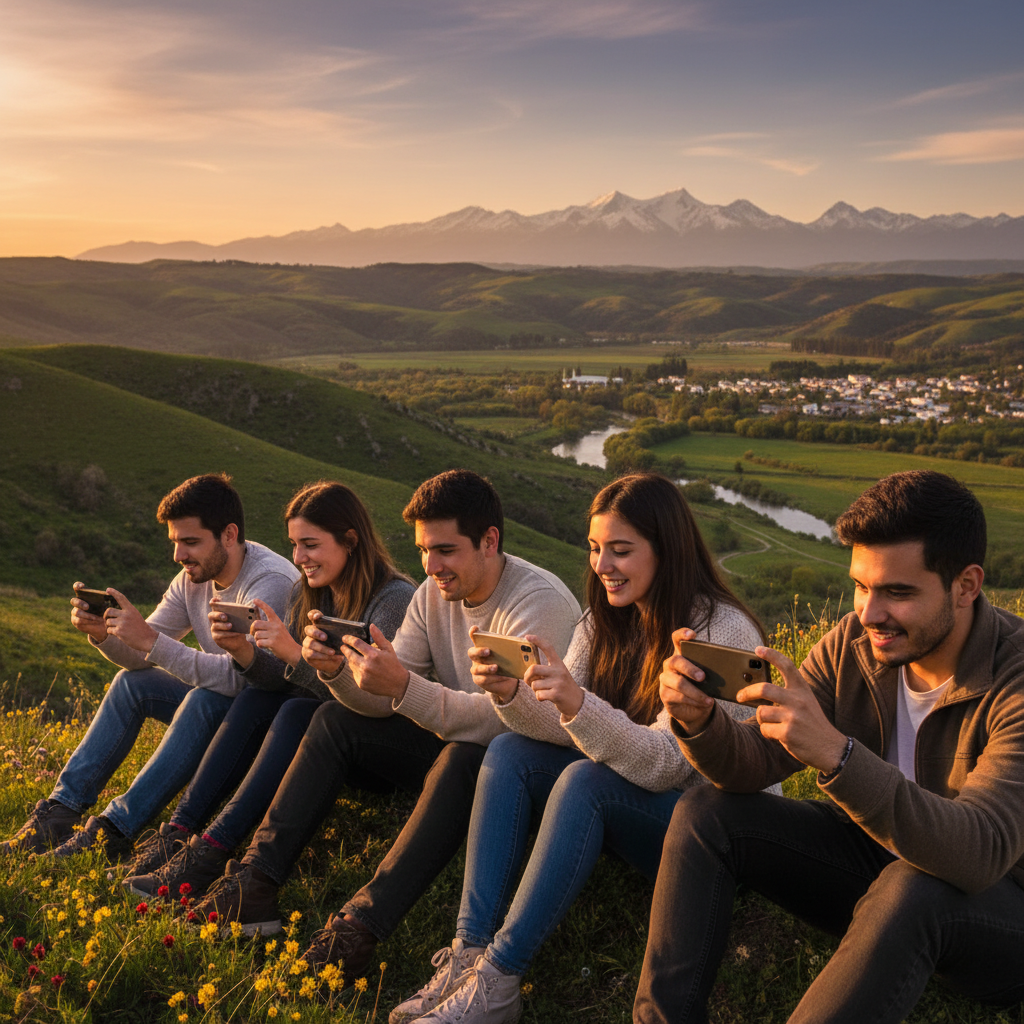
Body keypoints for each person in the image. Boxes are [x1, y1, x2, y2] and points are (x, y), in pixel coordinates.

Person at [634, 469, 1024, 1024]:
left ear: (966, 585)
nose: (868, 613)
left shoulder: (1014, 678)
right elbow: (757, 760)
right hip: (880, 868)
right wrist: (703, 724)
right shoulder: (856, 643)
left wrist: (838, 756)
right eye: (862, 586)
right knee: (706, 813)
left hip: (995, 909)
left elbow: (979, 854)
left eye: (897, 592)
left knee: (914, 885)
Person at [395, 473, 767, 1024]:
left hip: (710, 831)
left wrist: (575, 703)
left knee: (585, 781)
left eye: (621, 550)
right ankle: (469, 954)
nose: (603, 565)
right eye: (595, 548)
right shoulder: (604, 622)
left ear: (667, 549)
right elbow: (558, 726)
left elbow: (667, 764)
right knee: (508, 753)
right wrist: (514, 695)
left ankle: (498, 978)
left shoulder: (719, 632)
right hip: (640, 802)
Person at [190, 469, 581, 980]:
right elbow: (384, 698)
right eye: (423, 550)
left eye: (445, 550)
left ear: (489, 541)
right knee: (333, 718)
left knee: (466, 753)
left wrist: (401, 687)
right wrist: (339, 675)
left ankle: (358, 928)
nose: (431, 566)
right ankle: (256, 883)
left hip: (521, 767)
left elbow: (509, 724)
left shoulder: (537, 603)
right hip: (456, 745)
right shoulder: (431, 595)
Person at [121, 480, 415, 897]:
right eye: (294, 545)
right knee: (260, 697)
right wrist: (246, 651)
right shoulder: (310, 593)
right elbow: (281, 681)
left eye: (309, 545)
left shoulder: (394, 599)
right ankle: (180, 832)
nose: (298, 558)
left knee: (299, 711)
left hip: (381, 744)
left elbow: (375, 700)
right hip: (325, 732)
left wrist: (294, 654)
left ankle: (212, 849)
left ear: (350, 540)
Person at [1, 473, 298, 859]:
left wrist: (149, 641)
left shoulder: (269, 582)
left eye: (190, 542)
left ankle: (113, 830)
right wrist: (106, 634)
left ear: (228, 534)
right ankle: (60, 813)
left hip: (265, 727)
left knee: (203, 700)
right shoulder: (192, 578)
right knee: (132, 683)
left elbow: (244, 679)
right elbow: (144, 653)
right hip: (221, 707)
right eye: (175, 543)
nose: (179, 555)